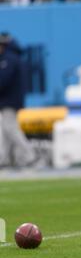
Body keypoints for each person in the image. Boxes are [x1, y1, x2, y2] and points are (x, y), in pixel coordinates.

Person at [0, 32, 36, 168]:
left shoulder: (8, 59)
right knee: (5, 130)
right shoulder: (12, 58)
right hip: (10, 100)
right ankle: (4, 159)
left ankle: (29, 155)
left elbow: (3, 80)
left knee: (10, 128)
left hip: (9, 100)